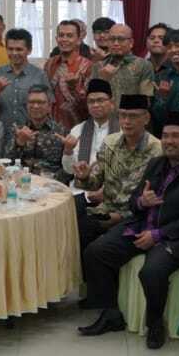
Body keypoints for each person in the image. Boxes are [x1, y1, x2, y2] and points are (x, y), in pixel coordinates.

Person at [78, 112, 179, 350]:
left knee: (151, 271)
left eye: (175, 136)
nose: (168, 141)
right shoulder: (156, 164)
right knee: (96, 252)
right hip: (141, 226)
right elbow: (133, 202)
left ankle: (155, 324)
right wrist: (142, 202)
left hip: (178, 237)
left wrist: (157, 235)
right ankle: (111, 313)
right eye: (165, 136)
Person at [71, 94, 162, 247]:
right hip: (105, 210)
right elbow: (95, 183)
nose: (126, 121)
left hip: (135, 216)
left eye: (133, 116)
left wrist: (121, 216)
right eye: (122, 116)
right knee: (67, 213)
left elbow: (156, 198)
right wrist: (85, 177)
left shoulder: (158, 151)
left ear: (146, 118)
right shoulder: (110, 142)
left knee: (83, 230)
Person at [0, 28, 49, 136]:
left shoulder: (39, 75)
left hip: (32, 136)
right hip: (3, 137)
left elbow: (48, 109)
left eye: (19, 49)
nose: (14, 53)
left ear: (29, 50)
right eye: (10, 49)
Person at [61, 78, 116, 179]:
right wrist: (68, 151)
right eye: (91, 101)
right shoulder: (77, 130)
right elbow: (69, 170)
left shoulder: (123, 131)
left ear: (112, 103)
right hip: (80, 185)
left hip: (111, 186)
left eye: (100, 100)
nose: (95, 105)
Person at [4, 86, 65, 176]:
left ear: (49, 106)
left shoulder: (61, 131)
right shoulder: (18, 130)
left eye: (40, 102)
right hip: (21, 179)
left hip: (50, 181)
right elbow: (7, 163)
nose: (35, 106)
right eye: (31, 102)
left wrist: (53, 180)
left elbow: (68, 169)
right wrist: (19, 143)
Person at [44, 20, 93, 130]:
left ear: (79, 40)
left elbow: (91, 105)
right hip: (51, 127)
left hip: (79, 127)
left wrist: (73, 88)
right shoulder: (50, 64)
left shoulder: (88, 67)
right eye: (61, 35)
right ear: (56, 39)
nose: (64, 39)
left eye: (69, 36)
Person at [99, 23, 156, 100]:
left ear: (131, 43)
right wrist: (103, 81)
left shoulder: (144, 65)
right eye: (112, 39)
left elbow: (146, 99)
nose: (116, 43)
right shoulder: (99, 65)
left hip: (132, 108)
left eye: (121, 39)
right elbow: (92, 99)